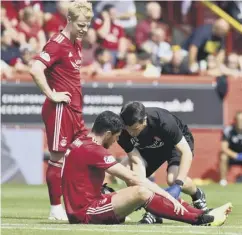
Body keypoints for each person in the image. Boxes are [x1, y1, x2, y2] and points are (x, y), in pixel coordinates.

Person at [61, 111, 232, 225]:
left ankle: (202, 213)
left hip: (85, 205)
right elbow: (133, 178)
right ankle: (199, 219)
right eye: (116, 137)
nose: (114, 142)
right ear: (107, 134)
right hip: (86, 212)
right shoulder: (94, 150)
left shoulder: (80, 141)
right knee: (141, 191)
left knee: (140, 191)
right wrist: (168, 195)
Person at [30, 1, 93, 220]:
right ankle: (55, 209)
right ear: (70, 20)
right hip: (59, 110)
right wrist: (51, 94)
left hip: (74, 112)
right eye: (81, 24)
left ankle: (88, 203)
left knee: (86, 155)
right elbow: (35, 68)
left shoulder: (76, 42)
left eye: (88, 25)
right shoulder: (57, 43)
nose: (85, 29)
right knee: (58, 159)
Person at [118, 101, 208, 224]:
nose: (132, 133)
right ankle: (155, 211)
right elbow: (136, 160)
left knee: (173, 179)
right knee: (129, 172)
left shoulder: (163, 121)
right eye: (128, 130)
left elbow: (185, 152)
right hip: (153, 145)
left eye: (135, 129)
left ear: (144, 120)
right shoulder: (122, 131)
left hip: (175, 144)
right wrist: (140, 188)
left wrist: (178, 185)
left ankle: (197, 194)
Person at [219, 111, 242, 186]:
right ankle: (223, 181)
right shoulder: (228, 130)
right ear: (235, 120)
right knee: (223, 156)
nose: (240, 122)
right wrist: (237, 156)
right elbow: (224, 148)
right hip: (232, 156)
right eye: (238, 120)